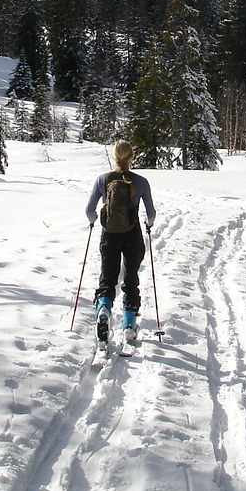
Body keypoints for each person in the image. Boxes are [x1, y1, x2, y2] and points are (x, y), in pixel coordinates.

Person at [84, 140, 155, 344]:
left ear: (114, 157)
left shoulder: (102, 180)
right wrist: (148, 224)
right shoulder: (141, 182)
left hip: (109, 235)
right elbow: (151, 214)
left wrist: (94, 220)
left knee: (108, 278)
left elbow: (89, 211)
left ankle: (104, 310)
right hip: (133, 235)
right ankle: (129, 325)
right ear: (131, 157)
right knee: (131, 278)